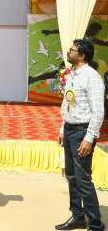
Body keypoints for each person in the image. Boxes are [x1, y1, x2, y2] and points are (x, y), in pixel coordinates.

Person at [56, 39, 105, 231]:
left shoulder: (92, 77)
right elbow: (68, 104)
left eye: (72, 50)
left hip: (82, 134)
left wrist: (89, 138)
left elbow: (98, 112)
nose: (68, 52)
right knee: (72, 176)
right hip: (70, 131)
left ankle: (95, 224)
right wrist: (63, 128)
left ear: (82, 55)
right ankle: (77, 216)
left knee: (83, 179)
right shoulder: (72, 74)